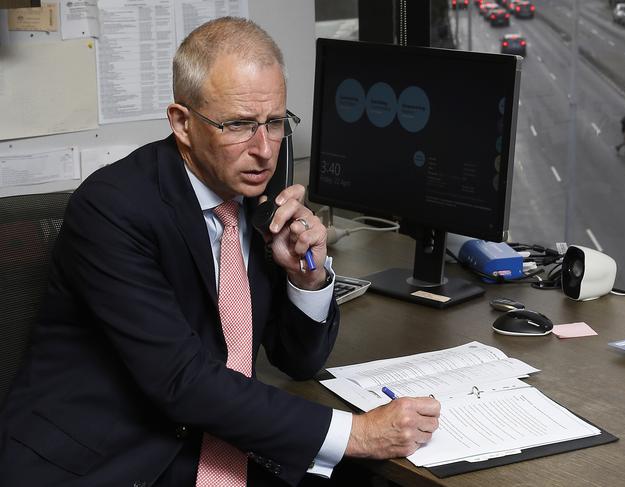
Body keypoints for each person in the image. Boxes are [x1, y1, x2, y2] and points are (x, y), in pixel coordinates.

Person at [0, 17, 440, 487]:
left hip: (218, 442)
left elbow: (299, 363)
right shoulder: (112, 209)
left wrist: (306, 280)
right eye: (239, 125)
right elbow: (183, 382)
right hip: (106, 461)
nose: (264, 150)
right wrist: (359, 433)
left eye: (274, 123)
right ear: (182, 123)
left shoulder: (257, 203)